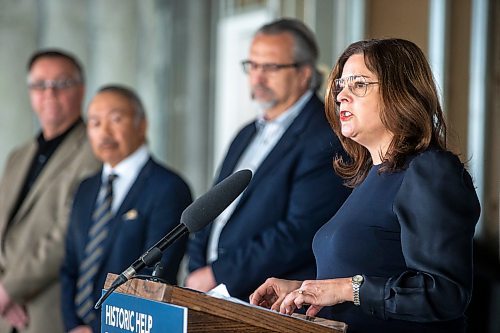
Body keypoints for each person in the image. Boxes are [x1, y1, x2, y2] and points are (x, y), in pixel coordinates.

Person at [249, 38, 481, 333]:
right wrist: (304, 289)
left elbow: (444, 293)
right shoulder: (372, 177)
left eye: (358, 85)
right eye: (340, 86)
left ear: (400, 92)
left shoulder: (429, 170)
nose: (341, 96)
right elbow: (373, 272)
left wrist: (348, 289)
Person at [186, 18, 350, 301]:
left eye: (270, 67)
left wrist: (220, 273)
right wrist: (198, 266)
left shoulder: (325, 136)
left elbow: (299, 232)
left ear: (304, 73)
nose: (257, 77)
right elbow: (212, 206)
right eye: (252, 65)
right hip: (211, 291)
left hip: (268, 299)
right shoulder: (245, 134)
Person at [60, 85, 192, 333]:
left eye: (116, 119)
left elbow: (154, 275)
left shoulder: (169, 188)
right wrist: (73, 325)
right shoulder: (85, 188)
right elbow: (69, 266)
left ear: (142, 125)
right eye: (95, 123)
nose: (104, 132)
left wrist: (97, 327)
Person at [0, 50, 101, 332]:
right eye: (40, 85)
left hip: (46, 307)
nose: (50, 94)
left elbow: (66, 232)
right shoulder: (18, 156)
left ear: (81, 89)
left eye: (61, 84)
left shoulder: (94, 153)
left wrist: (10, 289)